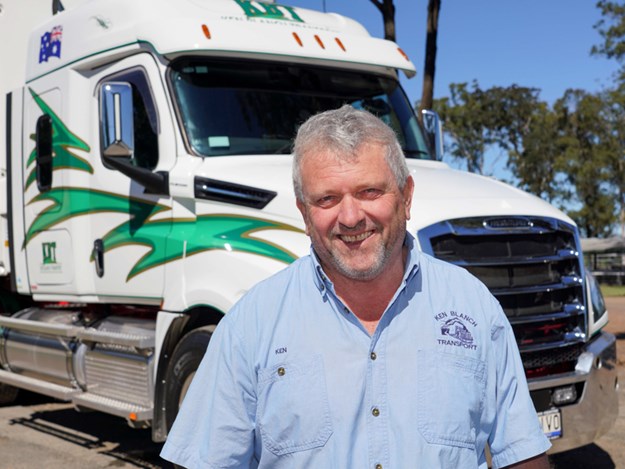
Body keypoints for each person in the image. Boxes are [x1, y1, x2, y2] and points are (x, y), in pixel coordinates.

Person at [160, 105, 551, 468]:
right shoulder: (251, 324)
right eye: (327, 198)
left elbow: (521, 452)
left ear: (407, 196)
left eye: (369, 192)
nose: (350, 217)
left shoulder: (474, 307)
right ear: (303, 213)